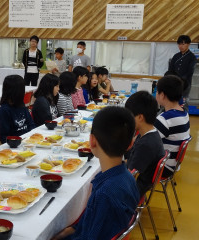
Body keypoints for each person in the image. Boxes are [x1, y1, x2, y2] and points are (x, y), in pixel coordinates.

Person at [52, 107, 139, 240]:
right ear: (130, 144)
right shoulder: (128, 177)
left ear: (92, 141)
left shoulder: (104, 194)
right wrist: (70, 230)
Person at [125, 91, 165, 197]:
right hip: (138, 182)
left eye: (129, 116)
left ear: (140, 117)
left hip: (134, 190)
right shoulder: (148, 133)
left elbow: (129, 176)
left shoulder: (146, 144)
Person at [154, 75, 190, 178]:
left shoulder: (165, 119)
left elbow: (146, 141)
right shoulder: (184, 113)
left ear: (162, 95)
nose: (156, 94)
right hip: (173, 165)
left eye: (157, 91)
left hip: (162, 166)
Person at [0, 75, 36, 143]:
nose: (24, 92)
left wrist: (31, 137)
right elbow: (4, 137)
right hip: (15, 146)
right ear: (18, 91)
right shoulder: (4, 110)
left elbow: (31, 125)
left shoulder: (21, 105)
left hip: (27, 142)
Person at [168, 35, 196, 108]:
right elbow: (170, 69)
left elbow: (189, 72)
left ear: (188, 44)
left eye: (183, 44)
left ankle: (185, 118)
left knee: (183, 103)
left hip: (185, 84)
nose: (181, 46)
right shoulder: (176, 56)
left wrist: (180, 81)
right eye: (179, 44)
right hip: (174, 84)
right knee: (172, 102)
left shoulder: (192, 57)